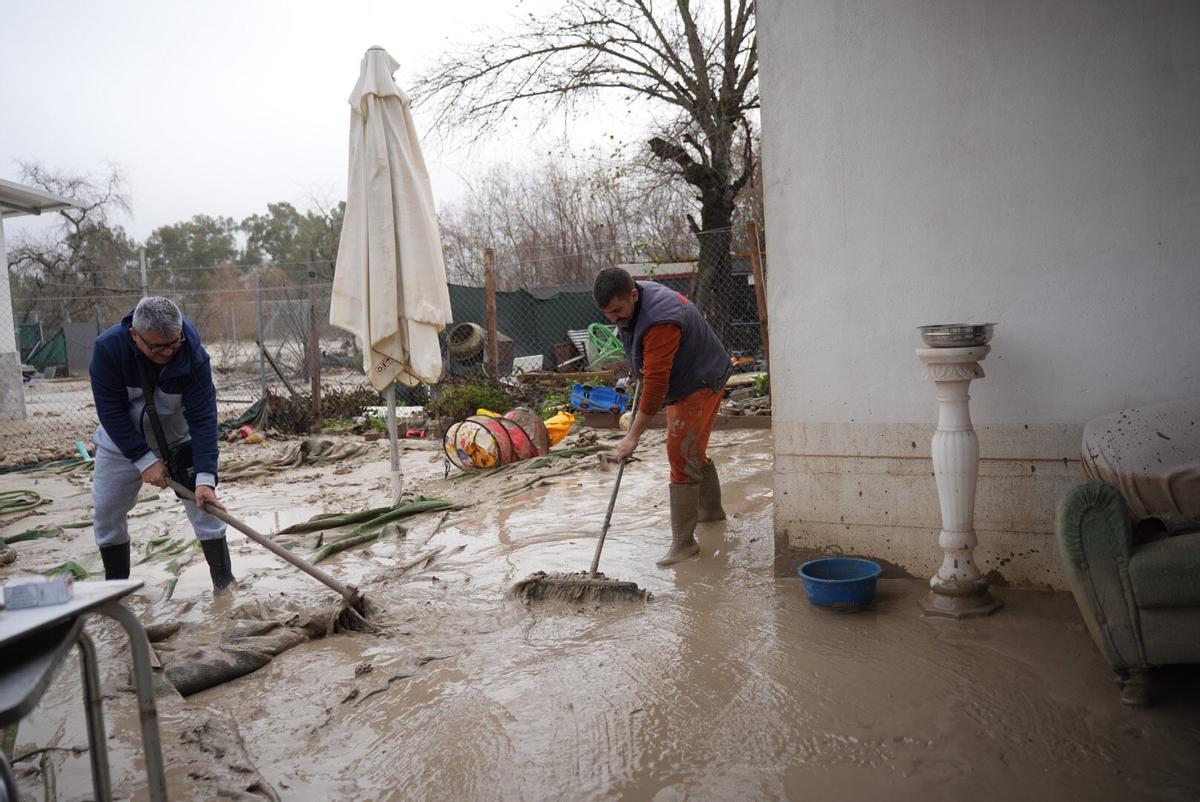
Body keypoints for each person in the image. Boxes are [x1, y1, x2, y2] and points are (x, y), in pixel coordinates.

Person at [89, 296, 235, 591]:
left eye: (173, 344)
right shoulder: (108, 350)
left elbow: (203, 419)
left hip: (177, 435)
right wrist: (143, 460)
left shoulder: (192, 353)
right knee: (106, 512)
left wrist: (206, 478)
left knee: (206, 509)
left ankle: (224, 583)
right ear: (135, 335)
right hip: (121, 442)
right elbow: (111, 412)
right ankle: (116, 590)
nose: (168, 353)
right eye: (157, 347)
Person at [593, 267, 732, 567]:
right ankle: (711, 514)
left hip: (701, 379)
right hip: (687, 372)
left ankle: (684, 544)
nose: (614, 319)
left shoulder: (660, 321)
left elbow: (656, 387)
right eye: (607, 314)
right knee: (691, 450)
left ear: (633, 295)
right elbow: (648, 360)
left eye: (617, 311)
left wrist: (632, 437)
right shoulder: (632, 303)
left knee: (680, 452)